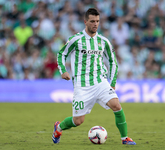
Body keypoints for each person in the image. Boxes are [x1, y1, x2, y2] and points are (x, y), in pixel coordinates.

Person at [52, 8, 136, 145]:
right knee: (78, 121)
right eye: (92, 21)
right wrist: (63, 70)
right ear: (85, 22)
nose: (95, 24)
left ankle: (125, 138)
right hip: (82, 86)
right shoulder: (75, 39)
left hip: (100, 81)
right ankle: (59, 127)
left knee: (116, 104)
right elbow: (61, 54)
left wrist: (112, 81)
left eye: (97, 21)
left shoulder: (104, 41)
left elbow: (112, 61)